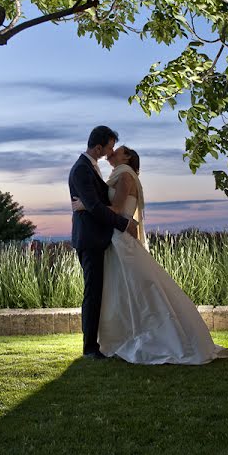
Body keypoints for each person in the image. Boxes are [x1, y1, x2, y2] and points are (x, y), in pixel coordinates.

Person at [72, 145, 228, 365]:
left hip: (121, 239)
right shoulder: (119, 175)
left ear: (127, 157)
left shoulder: (126, 175)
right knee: (124, 291)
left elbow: (117, 209)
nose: (112, 152)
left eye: (117, 150)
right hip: (115, 238)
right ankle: (122, 334)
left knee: (138, 289)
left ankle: (152, 336)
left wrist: (85, 205)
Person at [68, 126, 139, 360]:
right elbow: (97, 207)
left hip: (100, 238)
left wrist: (88, 205)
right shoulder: (81, 169)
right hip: (90, 239)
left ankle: (103, 341)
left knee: (100, 291)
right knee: (93, 292)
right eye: (109, 147)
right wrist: (123, 223)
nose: (110, 152)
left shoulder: (92, 167)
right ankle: (89, 348)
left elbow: (94, 204)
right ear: (98, 147)